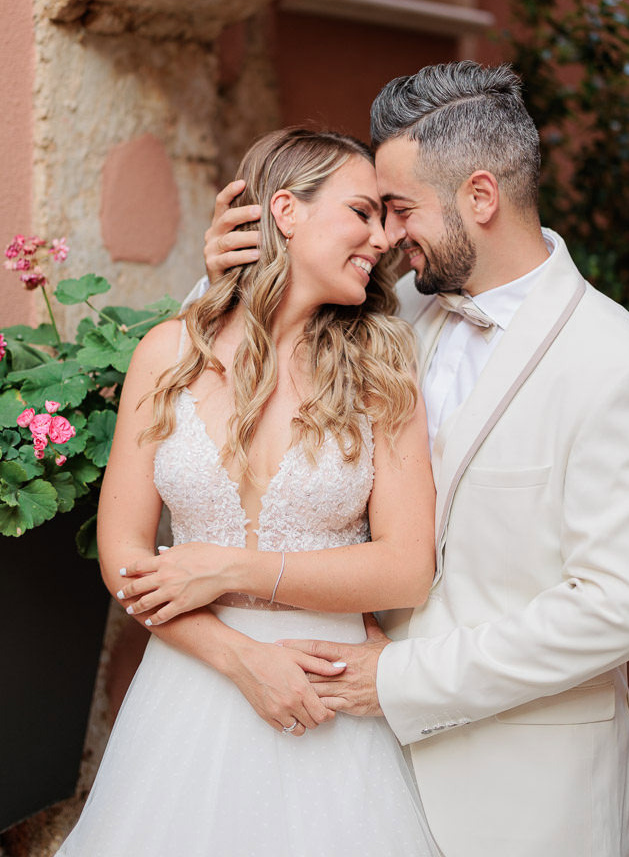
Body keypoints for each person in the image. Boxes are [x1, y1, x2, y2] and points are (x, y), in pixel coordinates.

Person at [200, 62, 629, 857]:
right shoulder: (387, 312)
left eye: (399, 209)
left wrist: (397, 681)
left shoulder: (618, 366)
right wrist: (224, 276)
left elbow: (616, 608)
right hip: (352, 774)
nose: (385, 236)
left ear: (481, 198)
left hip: (524, 794)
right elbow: (246, 372)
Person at [55, 127, 441, 857]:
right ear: (286, 212)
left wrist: (231, 569)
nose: (383, 237)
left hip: (326, 697)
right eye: (362, 211)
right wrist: (241, 660)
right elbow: (124, 557)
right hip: (189, 692)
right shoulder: (167, 355)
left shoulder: (382, 366)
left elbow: (406, 568)